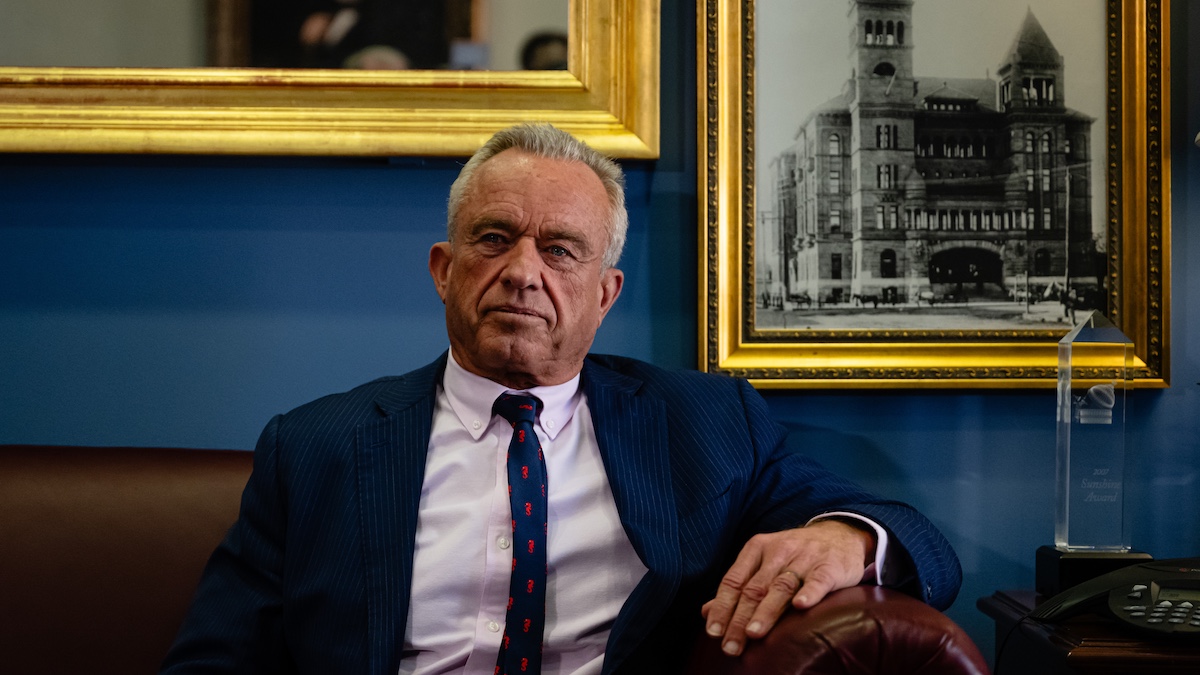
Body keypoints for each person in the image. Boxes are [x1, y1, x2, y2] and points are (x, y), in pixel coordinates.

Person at [161, 123, 961, 674]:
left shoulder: (706, 426)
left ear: (605, 293)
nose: (522, 271)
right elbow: (215, 658)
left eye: (560, 250)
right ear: (444, 268)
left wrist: (848, 539)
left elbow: (920, 541)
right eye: (494, 237)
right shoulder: (315, 447)